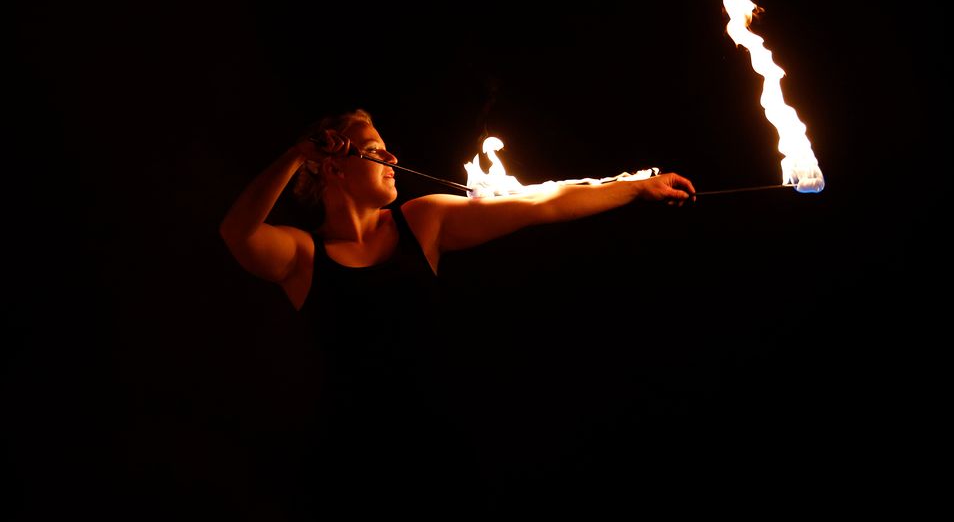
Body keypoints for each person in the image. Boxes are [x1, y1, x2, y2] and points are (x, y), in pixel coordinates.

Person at [219, 108, 696, 519]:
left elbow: (541, 203)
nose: (393, 159)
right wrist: (297, 153)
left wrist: (635, 188)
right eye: (374, 150)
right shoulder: (303, 255)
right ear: (333, 167)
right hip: (351, 464)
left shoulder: (423, 219)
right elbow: (238, 233)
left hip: (444, 453)